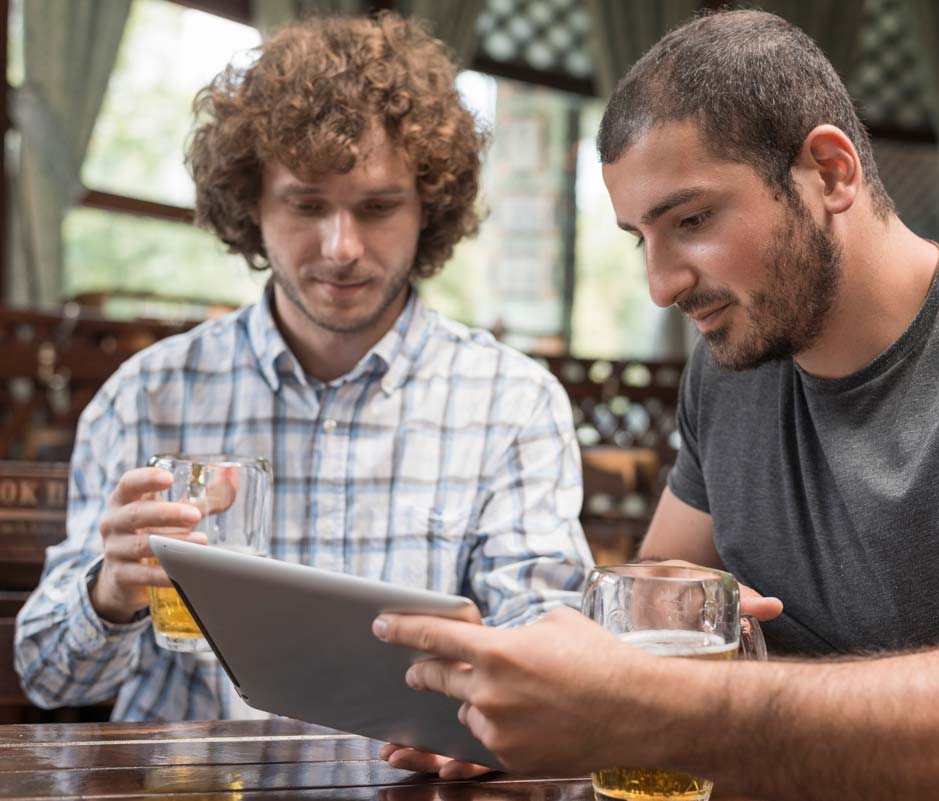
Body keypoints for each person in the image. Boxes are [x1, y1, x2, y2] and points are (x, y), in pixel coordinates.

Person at [371, 9, 939, 799]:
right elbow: (651, 596)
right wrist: (512, 709)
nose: (662, 284)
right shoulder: (733, 365)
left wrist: (643, 710)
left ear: (830, 172)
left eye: (691, 219)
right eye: (641, 239)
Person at [15, 12, 592, 723]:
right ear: (250, 203)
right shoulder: (145, 396)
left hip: (404, 776)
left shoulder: (513, 402)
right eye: (305, 204)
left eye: (378, 207)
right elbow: (47, 678)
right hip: (188, 778)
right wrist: (109, 593)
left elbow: (548, 649)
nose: (341, 245)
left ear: (428, 208)